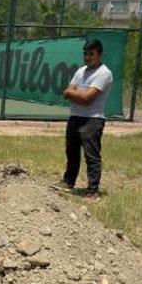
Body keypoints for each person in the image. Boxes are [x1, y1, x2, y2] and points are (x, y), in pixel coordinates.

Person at [58, 39, 113, 201]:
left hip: (92, 119)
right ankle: (68, 182)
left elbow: (87, 98)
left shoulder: (104, 73)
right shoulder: (81, 71)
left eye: (91, 54)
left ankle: (93, 191)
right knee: (71, 152)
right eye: (85, 53)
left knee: (92, 156)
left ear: (100, 55)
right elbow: (67, 92)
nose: (88, 57)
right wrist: (75, 94)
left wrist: (72, 94)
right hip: (75, 117)